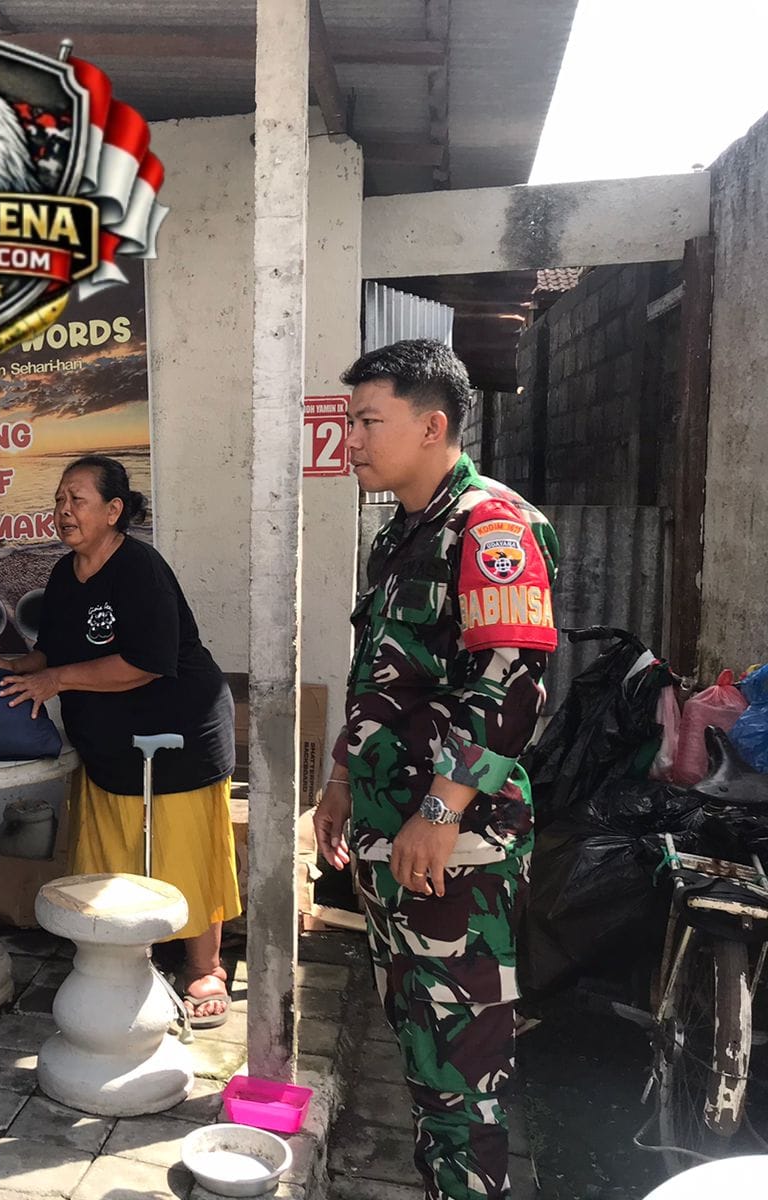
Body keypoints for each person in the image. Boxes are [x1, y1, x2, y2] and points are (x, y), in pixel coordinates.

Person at [314, 339, 558, 1200]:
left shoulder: (493, 527)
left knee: (461, 1068)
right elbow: (380, 676)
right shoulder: (400, 534)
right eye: (349, 421)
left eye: (367, 421)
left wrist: (444, 809)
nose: (350, 440)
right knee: (421, 1044)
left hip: (456, 845)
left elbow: (513, 680)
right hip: (395, 832)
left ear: (432, 426)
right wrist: (341, 781)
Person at [0, 455, 240, 1026]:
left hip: (177, 735)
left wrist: (56, 680)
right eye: (59, 500)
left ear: (114, 511)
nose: (63, 510)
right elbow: (53, 653)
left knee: (187, 850)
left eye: (78, 500)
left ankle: (205, 967)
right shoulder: (65, 573)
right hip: (108, 743)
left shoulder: (140, 568)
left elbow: (146, 661)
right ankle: (120, 957)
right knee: (112, 851)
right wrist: (15, 665)